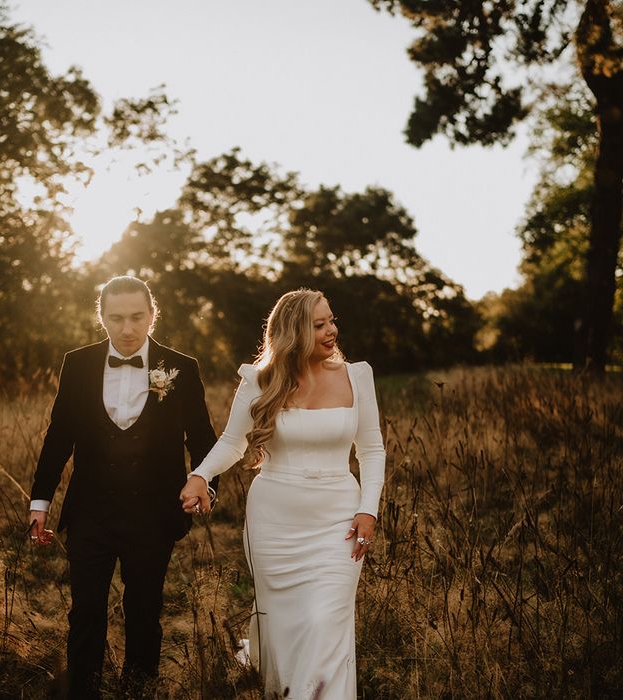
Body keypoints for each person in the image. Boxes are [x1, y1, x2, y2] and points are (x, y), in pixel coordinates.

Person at [179, 288, 385, 700]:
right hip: (274, 518)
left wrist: (369, 509)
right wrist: (200, 474)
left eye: (332, 320)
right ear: (293, 331)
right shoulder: (260, 380)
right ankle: (285, 690)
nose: (332, 330)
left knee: (327, 618)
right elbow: (233, 443)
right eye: (320, 324)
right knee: (285, 621)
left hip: (339, 518)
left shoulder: (357, 375)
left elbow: (372, 449)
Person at [29, 276, 217, 699]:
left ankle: (139, 691)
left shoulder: (181, 368)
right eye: (116, 318)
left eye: (137, 317)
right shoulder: (77, 364)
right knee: (86, 614)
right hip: (90, 514)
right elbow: (58, 438)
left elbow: (203, 438)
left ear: (152, 316)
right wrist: (40, 500)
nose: (128, 328)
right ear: (102, 318)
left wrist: (204, 481)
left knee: (144, 613)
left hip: (154, 514)